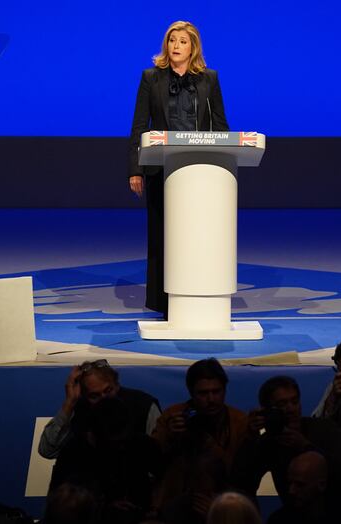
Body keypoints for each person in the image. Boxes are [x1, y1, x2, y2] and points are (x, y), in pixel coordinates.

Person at [128, 20, 229, 318]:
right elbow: (138, 126)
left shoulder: (209, 79)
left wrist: (226, 166)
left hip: (200, 173)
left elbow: (221, 125)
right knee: (162, 235)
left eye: (183, 41)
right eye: (172, 40)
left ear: (193, 47)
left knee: (199, 235)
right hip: (161, 170)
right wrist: (135, 169)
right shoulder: (151, 78)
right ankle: (164, 302)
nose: (176, 46)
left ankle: (199, 295)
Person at [232, 376, 341, 506]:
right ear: (267, 411)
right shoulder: (270, 442)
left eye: (295, 402)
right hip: (293, 515)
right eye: (281, 405)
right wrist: (250, 438)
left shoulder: (324, 429)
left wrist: (306, 446)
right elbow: (241, 483)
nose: (291, 409)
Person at [48, 397, 163, 524]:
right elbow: (61, 502)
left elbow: (167, 475)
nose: (120, 447)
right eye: (113, 443)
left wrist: (156, 506)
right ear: (94, 436)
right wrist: (103, 506)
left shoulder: (140, 444)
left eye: (124, 440)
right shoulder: (75, 452)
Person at [152, 358, 247, 509]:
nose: (211, 399)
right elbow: (153, 463)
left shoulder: (239, 422)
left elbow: (243, 476)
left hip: (225, 502)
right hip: (176, 500)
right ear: (191, 393)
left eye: (216, 392)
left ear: (225, 390)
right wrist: (169, 437)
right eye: (203, 393)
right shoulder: (173, 417)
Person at [38, 359, 161, 459]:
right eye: (94, 396)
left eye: (108, 390)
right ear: (84, 395)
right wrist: (69, 403)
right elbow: (47, 451)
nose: (104, 399)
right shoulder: (79, 411)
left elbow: (160, 457)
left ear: (117, 385)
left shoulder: (144, 406)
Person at [264, 451, 341, 524]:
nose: (291, 491)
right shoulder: (279, 522)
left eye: (300, 484)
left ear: (322, 485)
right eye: (290, 483)